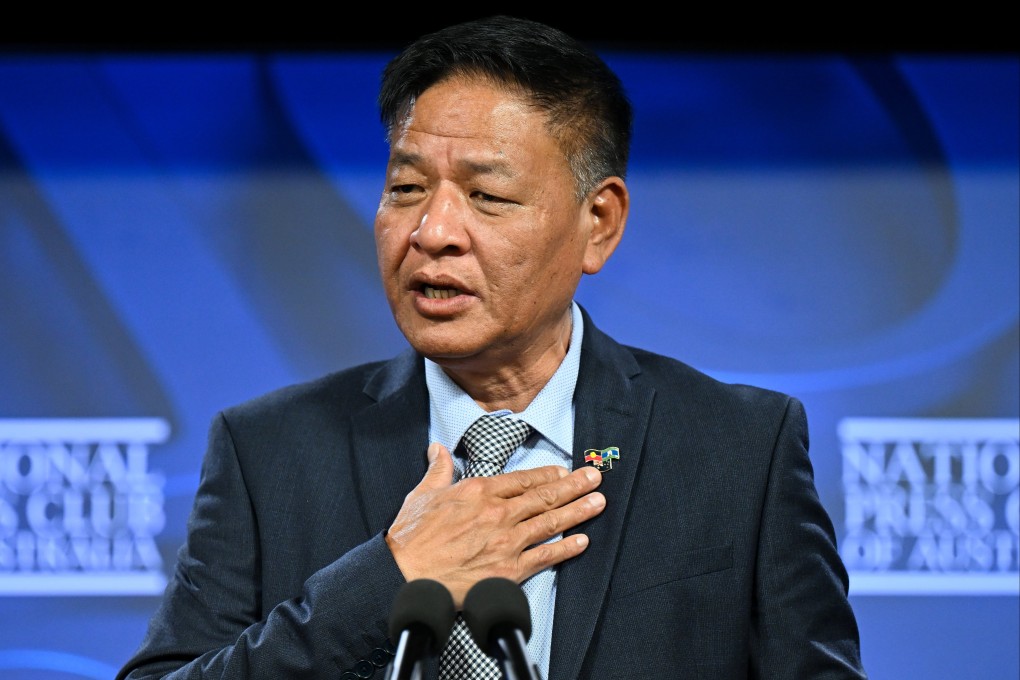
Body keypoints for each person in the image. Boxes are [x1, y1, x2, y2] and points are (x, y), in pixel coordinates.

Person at [117, 15, 866, 680]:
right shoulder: (268, 452)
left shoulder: (738, 449)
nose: (432, 231)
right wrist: (389, 578)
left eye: (487, 196)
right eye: (407, 187)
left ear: (598, 223)